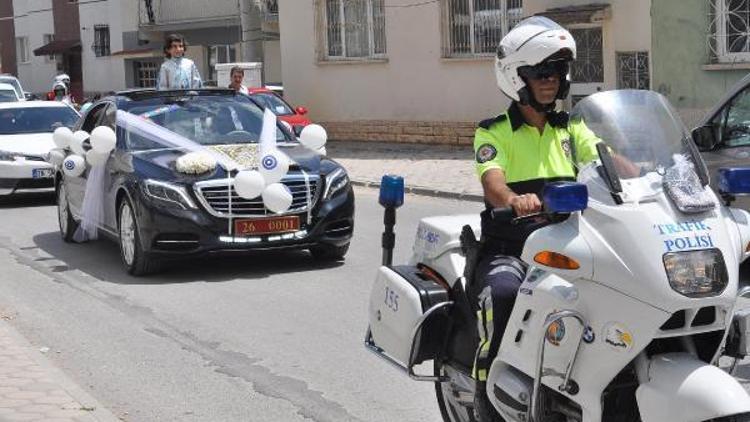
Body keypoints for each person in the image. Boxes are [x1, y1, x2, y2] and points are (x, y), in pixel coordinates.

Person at [469, 16, 603, 419]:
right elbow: (493, 182)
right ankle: (484, 391)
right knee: (504, 294)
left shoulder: (572, 127)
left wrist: (651, 175)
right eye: (541, 72)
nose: (550, 80)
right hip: (512, 247)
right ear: (517, 77)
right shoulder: (494, 132)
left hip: (568, 244)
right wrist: (514, 199)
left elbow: (607, 163)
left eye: (557, 71)